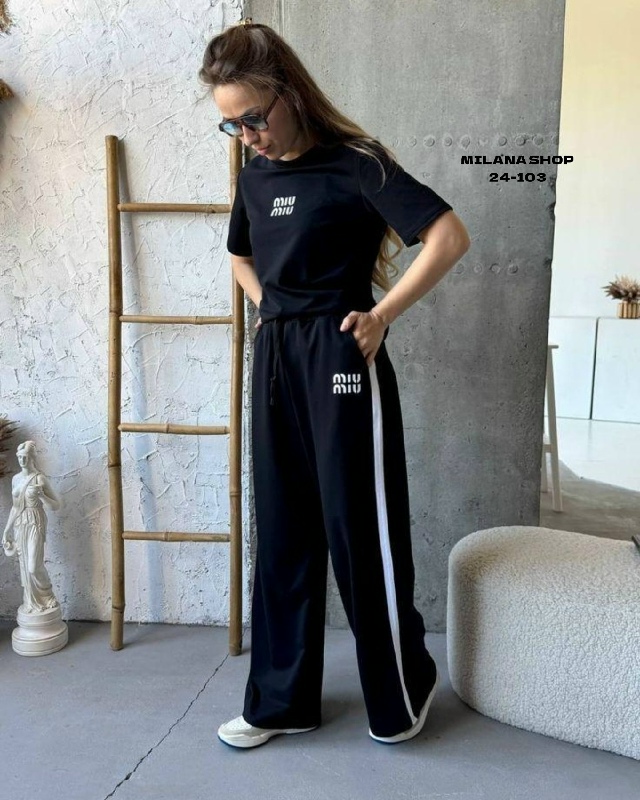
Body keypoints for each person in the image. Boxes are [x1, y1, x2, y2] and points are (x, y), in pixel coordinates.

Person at [198, 19, 470, 749]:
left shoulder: (357, 163)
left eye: (254, 118)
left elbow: (448, 236)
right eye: (232, 126)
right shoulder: (254, 177)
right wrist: (269, 308)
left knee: (359, 528)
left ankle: (402, 689)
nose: (247, 137)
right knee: (283, 528)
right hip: (277, 357)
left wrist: (381, 315)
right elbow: (239, 255)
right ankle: (282, 702)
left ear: (289, 94)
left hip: (342, 355)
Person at [2, 440, 62, 613]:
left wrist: (42, 495)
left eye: (25, 457)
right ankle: (31, 602)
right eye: (19, 457)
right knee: (24, 567)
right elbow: (15, 507)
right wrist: (6, 530)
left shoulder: (39, 478)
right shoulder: (15, 479)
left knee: (33, 566)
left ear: (32, 458)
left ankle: (47, 595)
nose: (22, 460)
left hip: (35, 522)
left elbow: (56, 505)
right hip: (20, 523)